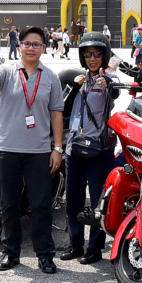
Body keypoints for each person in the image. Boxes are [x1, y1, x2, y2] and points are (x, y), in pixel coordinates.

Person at [0, 25, 64, 274]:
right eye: (27, 43)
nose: (31, 48)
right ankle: (10, 252)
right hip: (6, 148)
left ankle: (45, 255)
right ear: (20, 44)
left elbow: (57, 114)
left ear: (44, 48)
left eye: (36, 44)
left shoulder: (50, 77)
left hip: (38, 151)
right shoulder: (7, 70)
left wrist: (57, 148)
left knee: (40, 204)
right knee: (9, 203)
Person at [61, 32, 118, 264]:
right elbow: (63, 109)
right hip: (74, 149)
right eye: (87, 54)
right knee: (73, 199)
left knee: (97, 202)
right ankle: (75, 244)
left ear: (104, 55)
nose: (92, 58)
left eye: (97, 54)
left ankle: (94, 248)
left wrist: (109, 84)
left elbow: (115, 92)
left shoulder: (108, 80)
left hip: (99, 151)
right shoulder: (78, 80)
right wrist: (74, 88)